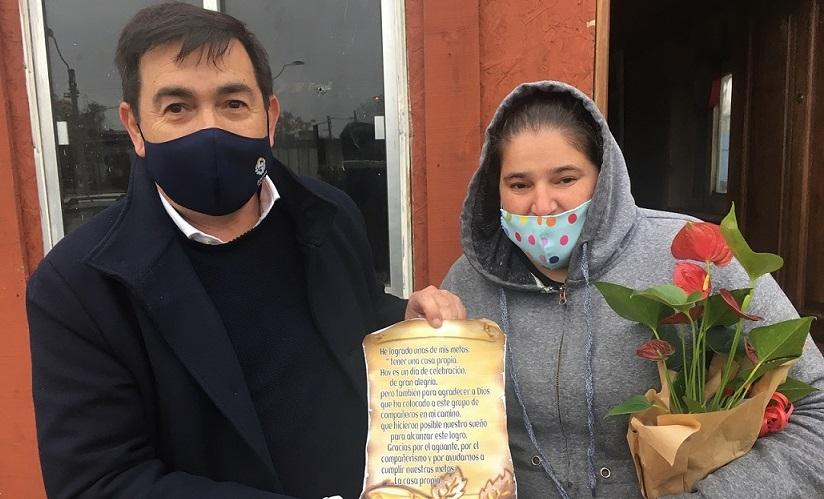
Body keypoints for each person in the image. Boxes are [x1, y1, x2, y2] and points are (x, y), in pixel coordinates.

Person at [26, 3, 465, 498]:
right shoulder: (79, 287)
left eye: (233, 103)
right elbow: (99, 482)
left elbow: (352, 322)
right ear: (135, 127)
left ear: (270, 117)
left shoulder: (328, 217)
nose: (209, 129)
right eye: (177, 108)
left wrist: (403, 319)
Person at [441, 80, 824, 497]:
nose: (542, 205)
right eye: (519, 185)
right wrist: (419, 341)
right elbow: (433, 432)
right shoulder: (467, 283)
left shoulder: (696, 257)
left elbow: (816, 408)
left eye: (565, 179)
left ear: (603, 179)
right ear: (493, 189)